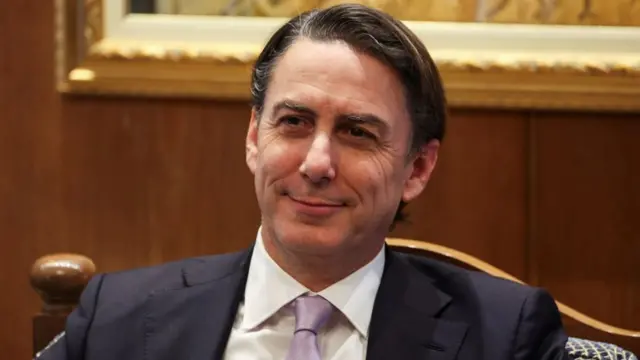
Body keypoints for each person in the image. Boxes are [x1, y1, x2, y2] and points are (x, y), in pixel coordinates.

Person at [36, 4, 570, 360]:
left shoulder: (504, 336)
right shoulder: (120, 320)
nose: (317, 163)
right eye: (294, 122)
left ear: (418, 168)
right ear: (253, 136)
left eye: (358, 132)